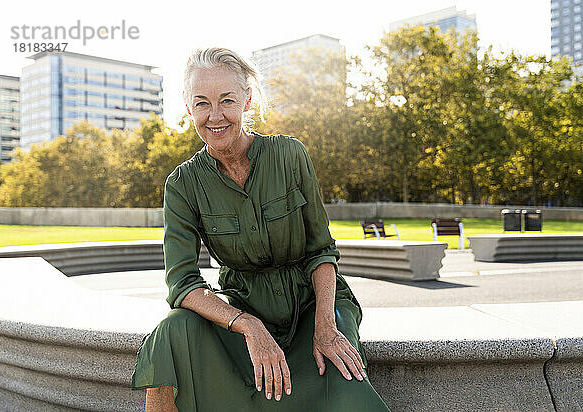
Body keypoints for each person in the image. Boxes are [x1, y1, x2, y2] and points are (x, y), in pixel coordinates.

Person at [131, 47, 391, 412]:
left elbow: (321, 251)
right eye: (202, 103)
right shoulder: (182, 184)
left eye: (227, 100)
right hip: (243, 312)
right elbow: (182, 284)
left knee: (343, 387)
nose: (215, 116)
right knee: (171, 332)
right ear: (188, 108)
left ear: (247, 100)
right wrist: (248, 326)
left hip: (313, 306)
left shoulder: (290, 155)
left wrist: (326, 326)